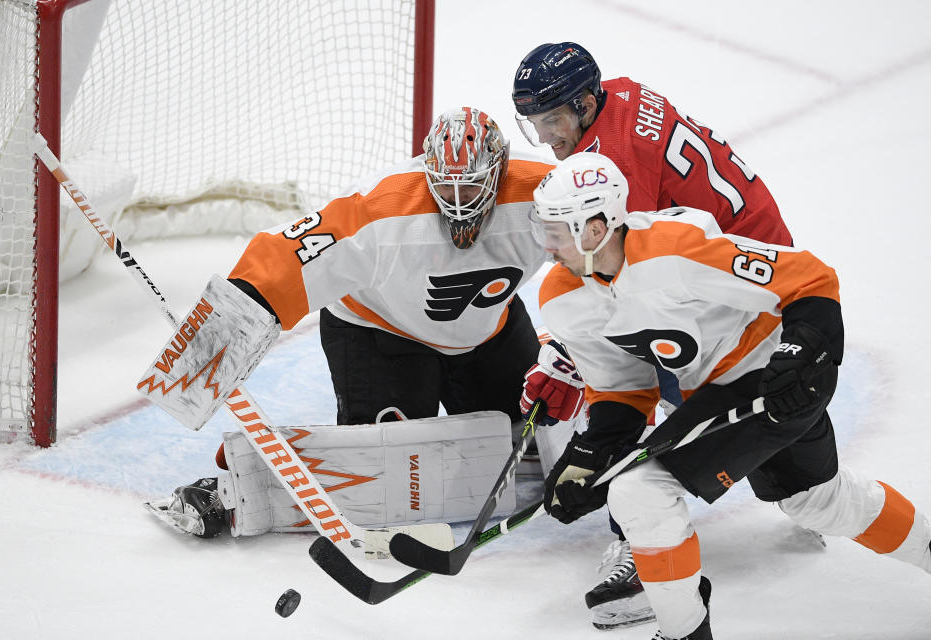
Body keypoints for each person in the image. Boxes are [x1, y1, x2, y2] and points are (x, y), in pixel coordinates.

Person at [530, 152, 931, 639]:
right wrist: (591, 453)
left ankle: (684, 632)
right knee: (818, 501)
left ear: (595, 228)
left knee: (640, 489)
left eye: (555, 230)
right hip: (721, 393)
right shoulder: (563, 298)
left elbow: (810, 279)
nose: (545, 246)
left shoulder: (675, 250)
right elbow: (623, 387)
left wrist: (803, 352)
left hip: (780, 378)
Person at [154, 107, 555, 537]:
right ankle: (233, 490)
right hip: (380, 332)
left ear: (500, 170)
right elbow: (285, 255)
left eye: (472, 186)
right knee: (393, 464)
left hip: (485, 330)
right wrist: (212, 338)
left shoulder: (544, 193)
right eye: (446, 187)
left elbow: (614, 236)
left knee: (538, 429)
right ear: (426, 171)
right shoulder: (381, 208)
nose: (459, 203)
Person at [512, 41, 794, 629]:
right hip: (743, 251)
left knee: (650, 385)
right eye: (535, 125)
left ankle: (639, 552)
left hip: (740, 275)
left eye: (555, 121)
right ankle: (808, 483)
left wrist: (562, 357)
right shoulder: (614, 104)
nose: (548, 139)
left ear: (588, 103)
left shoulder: (616, 159)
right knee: (743, 400)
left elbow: (613, 283)